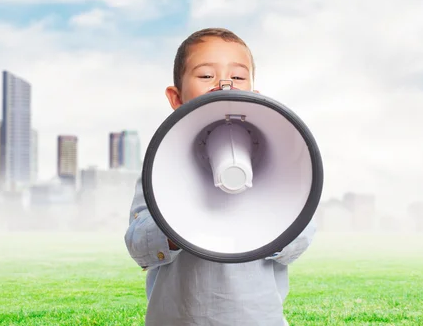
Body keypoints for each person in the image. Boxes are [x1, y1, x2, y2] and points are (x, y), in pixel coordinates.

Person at [124, 27, 317, 326]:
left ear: (254, 95)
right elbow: (139, 246)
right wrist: (176, 225)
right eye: (205, 76)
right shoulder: (160, 165)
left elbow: (301, 237)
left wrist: (271, 220)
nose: (224, 84)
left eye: (238, 77)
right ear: (176, 97)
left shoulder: (287, 162)